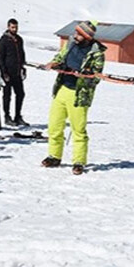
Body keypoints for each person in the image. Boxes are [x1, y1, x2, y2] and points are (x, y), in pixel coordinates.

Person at [41, 21, 105, 175]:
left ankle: (78, 162)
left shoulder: (96, 53)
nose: (75, 36)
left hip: (78, 95)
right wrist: (55, 63)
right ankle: (54, 156)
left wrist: (84, 75)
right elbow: (60, 56)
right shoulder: (70, 44)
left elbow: (96, 77)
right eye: (76, 33)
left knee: (78, 130)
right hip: (62, 89)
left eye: (79, 34)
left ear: (86, 37)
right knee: (54, 126)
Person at [0, 18, 27, 126]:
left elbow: (21, 54)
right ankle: (7, 116)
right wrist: (3, 72)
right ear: (8, 27)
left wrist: (23, 67)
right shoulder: (3, 41)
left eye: (16, 27)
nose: (15, 29)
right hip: (8, 72)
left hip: (17, 72)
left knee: (20, 94)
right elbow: (0, 58)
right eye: (12, 27)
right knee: (7, 95)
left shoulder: (19, 39)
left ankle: (18, 116)